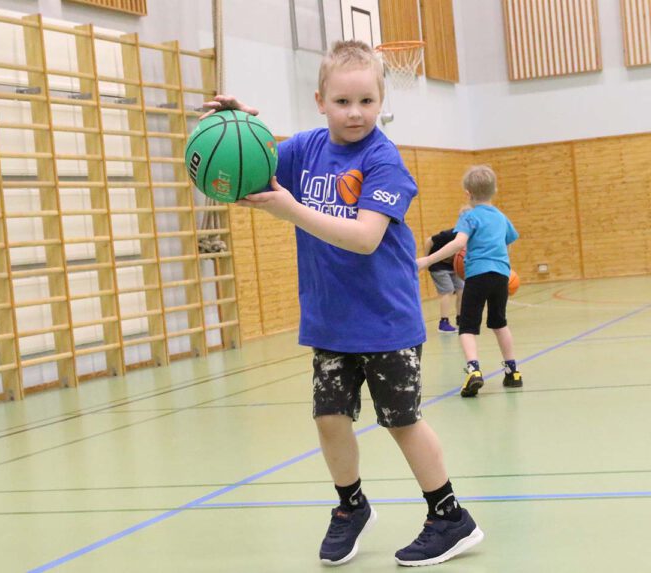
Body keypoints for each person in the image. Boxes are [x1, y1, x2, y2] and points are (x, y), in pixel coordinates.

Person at [203, 41, 483, 567]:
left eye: (366, 102)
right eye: (342, 102)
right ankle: (351, 507)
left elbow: (364, 238)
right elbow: (251, 168)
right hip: (330, 321)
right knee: (330, 417)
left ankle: (449, 516)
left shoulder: (383, 159)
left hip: (386, 321)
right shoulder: (304, 149)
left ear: (381, 102)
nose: (354, 113)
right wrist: (242, 127)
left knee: (401, 421)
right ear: (319, 100)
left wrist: (291, 210)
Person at [416, 165, 523, 397]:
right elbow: (508, 242)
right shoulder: (501, 217)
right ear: (495, 189)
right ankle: (513, 371)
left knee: (467, 327)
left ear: (467, 193)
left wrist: (427, 260)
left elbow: (457, 243)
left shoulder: (469, 216)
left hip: (477, 275)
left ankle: (474, 370)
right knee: (499, 323)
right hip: (501, 276)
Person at [424, 210, 468, 333]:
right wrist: (427, 260)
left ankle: (461, 319)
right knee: (447, 291)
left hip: (454, 266)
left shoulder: (470, 236)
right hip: (438, 265)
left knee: (461, 289)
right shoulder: (451, 234)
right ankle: (443, 323)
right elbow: (429, 241)